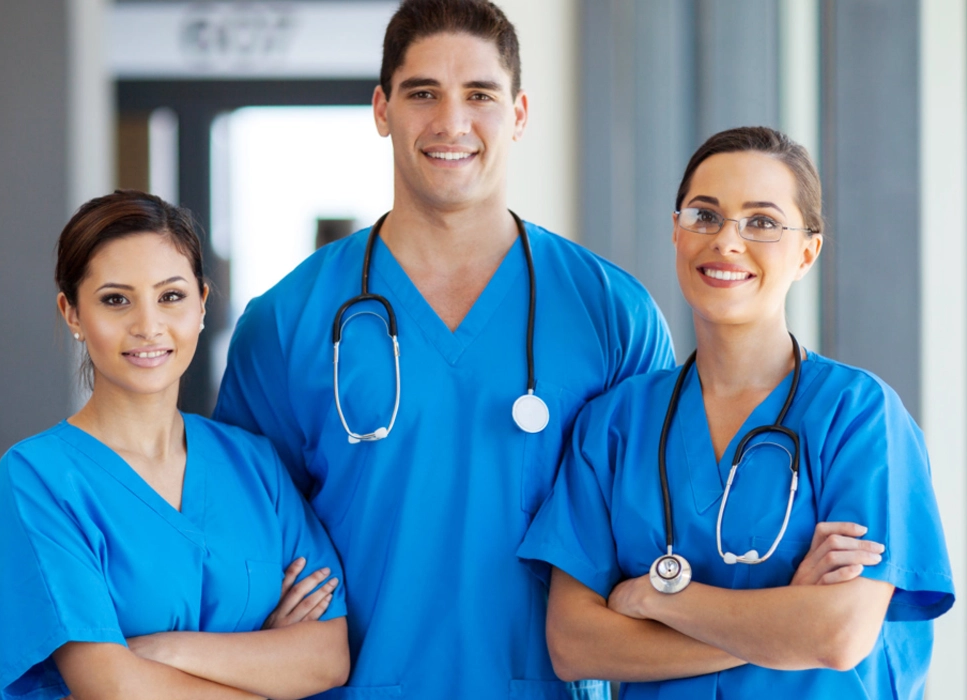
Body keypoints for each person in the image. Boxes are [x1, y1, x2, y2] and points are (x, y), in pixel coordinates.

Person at [211, 1, 676, 696]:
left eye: (480, 95)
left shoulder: (612, 314)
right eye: (422, 93)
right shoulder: (286, 322)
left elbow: (657, 535)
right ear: (381, 109)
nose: (451, 123)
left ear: (519, 114)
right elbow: (240, 543)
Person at [518, 126, 955, 699]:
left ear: (807, 251)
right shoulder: (616, 425)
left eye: (763, 222)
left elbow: (839, 633)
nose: (726, 241)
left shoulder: (858, 415)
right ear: (675, 231)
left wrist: (658, 597)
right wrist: (780, 624)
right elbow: (575, 645)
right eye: (704, 215)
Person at [0, 191, 350, 700]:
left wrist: (166, 649)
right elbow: (113, 688)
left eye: (171, 296)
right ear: (72, 314)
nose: (148, 325)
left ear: (201, 303)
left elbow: (326, 658)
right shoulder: (37, 480)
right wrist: (265, 660)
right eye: (115, 299)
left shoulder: (256, 465)